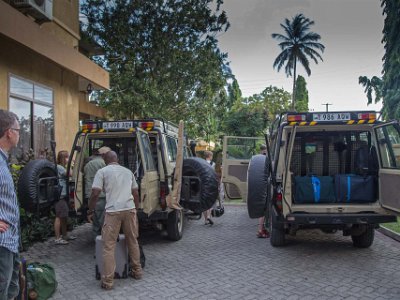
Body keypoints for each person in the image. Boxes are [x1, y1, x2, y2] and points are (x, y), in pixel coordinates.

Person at [87, 151, 143, 290]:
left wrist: (90, 209)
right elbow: (135, 192)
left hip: (113, 212)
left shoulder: (102, 172)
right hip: (129, 210)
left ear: (105, 159)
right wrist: (136, 208)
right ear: (117, 159)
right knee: (132, 241)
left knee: (108, 246)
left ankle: (108, 281)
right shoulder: (128, 171)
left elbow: (95, 193)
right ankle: (137, 271)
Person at [0, 109, 21, 299]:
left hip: (11, 241)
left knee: (12, 289)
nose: (19, 134)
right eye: (18, 130)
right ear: (9, 132)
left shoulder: (3, 160)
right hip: (2, 243)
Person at [84, 146, 110, 237]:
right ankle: (104, 242)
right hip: (102, 195)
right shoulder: (104, 164)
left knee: (95, 220)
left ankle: (97, 239)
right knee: (103, 220)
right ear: (104, 155)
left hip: (91, 195)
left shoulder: (88, 164)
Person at [54, 150, 76, 245]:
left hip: (63, 194)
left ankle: (65, 235)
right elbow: (71, 174)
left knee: (64, 215)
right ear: (63, 158)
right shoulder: (59, 167)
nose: (68, 159)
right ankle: (57, 238)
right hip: (60, 195)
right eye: (67, 157)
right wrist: (70, 163)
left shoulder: (61, 167)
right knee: (59, 216)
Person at [257, 144, 269, 238]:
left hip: (260, 186)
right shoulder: (267, 159)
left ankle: (261, 229)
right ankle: (261, 230)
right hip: (266, 186)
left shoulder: (257, 160)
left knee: (262, 208)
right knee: (264, 208)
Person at [203, 151, 215, 225]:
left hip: (203, 183)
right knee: (210, 201)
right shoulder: (213, 164)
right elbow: (213, 174)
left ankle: (205, 220)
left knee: (204, 202)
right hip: (210, 183)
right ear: (210, 156)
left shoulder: (202, 163)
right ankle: (208, 216)